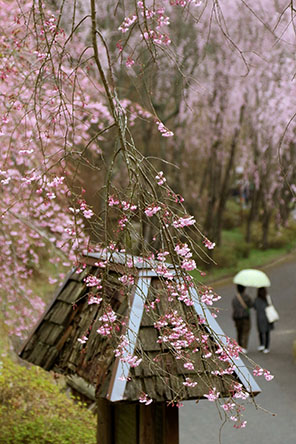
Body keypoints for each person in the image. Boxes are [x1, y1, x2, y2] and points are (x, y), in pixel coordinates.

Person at [232, 284, 253, 353]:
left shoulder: (235, 298)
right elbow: (251, 305)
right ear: (244, 289)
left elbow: (233, 306)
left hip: (237, 317)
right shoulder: (246, 297)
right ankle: (244, 347)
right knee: (245, 331)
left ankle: (239, 345)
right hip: (245, 317)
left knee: (239, 332)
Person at [253, 287, 274, 354]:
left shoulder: (256, 299)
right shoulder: (267, 298)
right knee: (267, 333)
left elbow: (254, 307)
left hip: (260, 318)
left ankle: (262, 344)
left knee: (260, 332)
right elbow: (270, 305)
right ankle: (266, 347)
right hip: (267, 318)